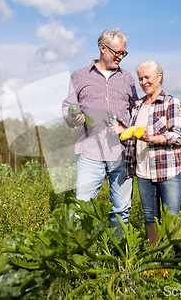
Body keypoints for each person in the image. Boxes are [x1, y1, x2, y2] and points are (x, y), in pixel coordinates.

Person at [62, 29, 139, 237]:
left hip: (122, 154)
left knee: (122, 211)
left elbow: (136, 112)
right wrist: (73, 117)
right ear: (102, 48)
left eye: (124, 53)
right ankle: (80, 264)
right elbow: (68, 107)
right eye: (117, 52)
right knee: (82, 211)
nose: (120, 57)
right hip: (90, 152)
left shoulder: (128, 79)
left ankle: (118, 261)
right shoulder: (79, 76)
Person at [112, 60, 181, 246]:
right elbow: (133, 134)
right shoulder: (137, 107)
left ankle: (179, 262)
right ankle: (156, 261)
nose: (144, 82)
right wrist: (123, 130)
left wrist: (150, 138)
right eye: (140, 79)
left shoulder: (171, 103)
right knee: (150, 218)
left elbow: (178, 136)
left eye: (147, 77)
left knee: (172, 217)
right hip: (143, 171)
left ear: (159, 76)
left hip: (168, 169)